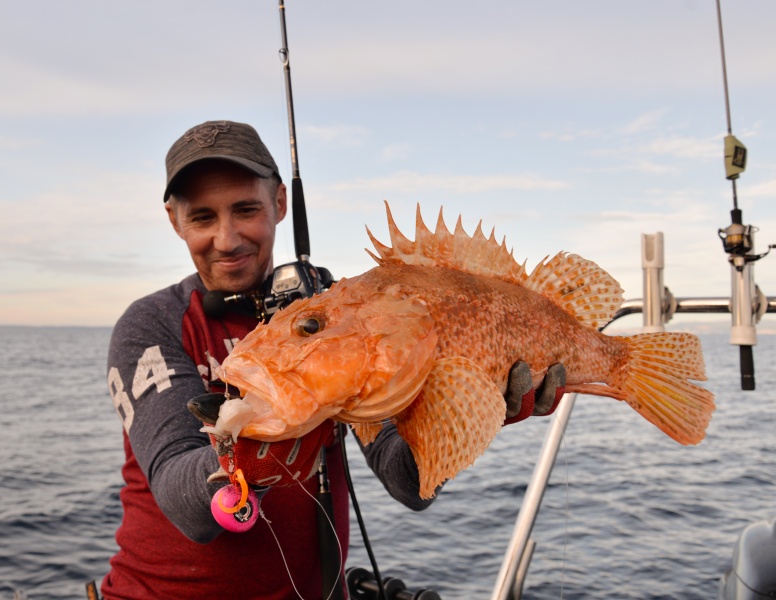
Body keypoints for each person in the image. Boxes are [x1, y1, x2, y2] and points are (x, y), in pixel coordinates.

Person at [103, 120, 564, 600]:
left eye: (246, 209)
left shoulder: (349, 317)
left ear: (280, 203)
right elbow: (184, 503)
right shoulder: (152, 324)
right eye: (202, 217)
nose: (227, 238)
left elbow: (407, 481)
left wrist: (461, 417)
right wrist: (248, 463)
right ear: (175, 221)